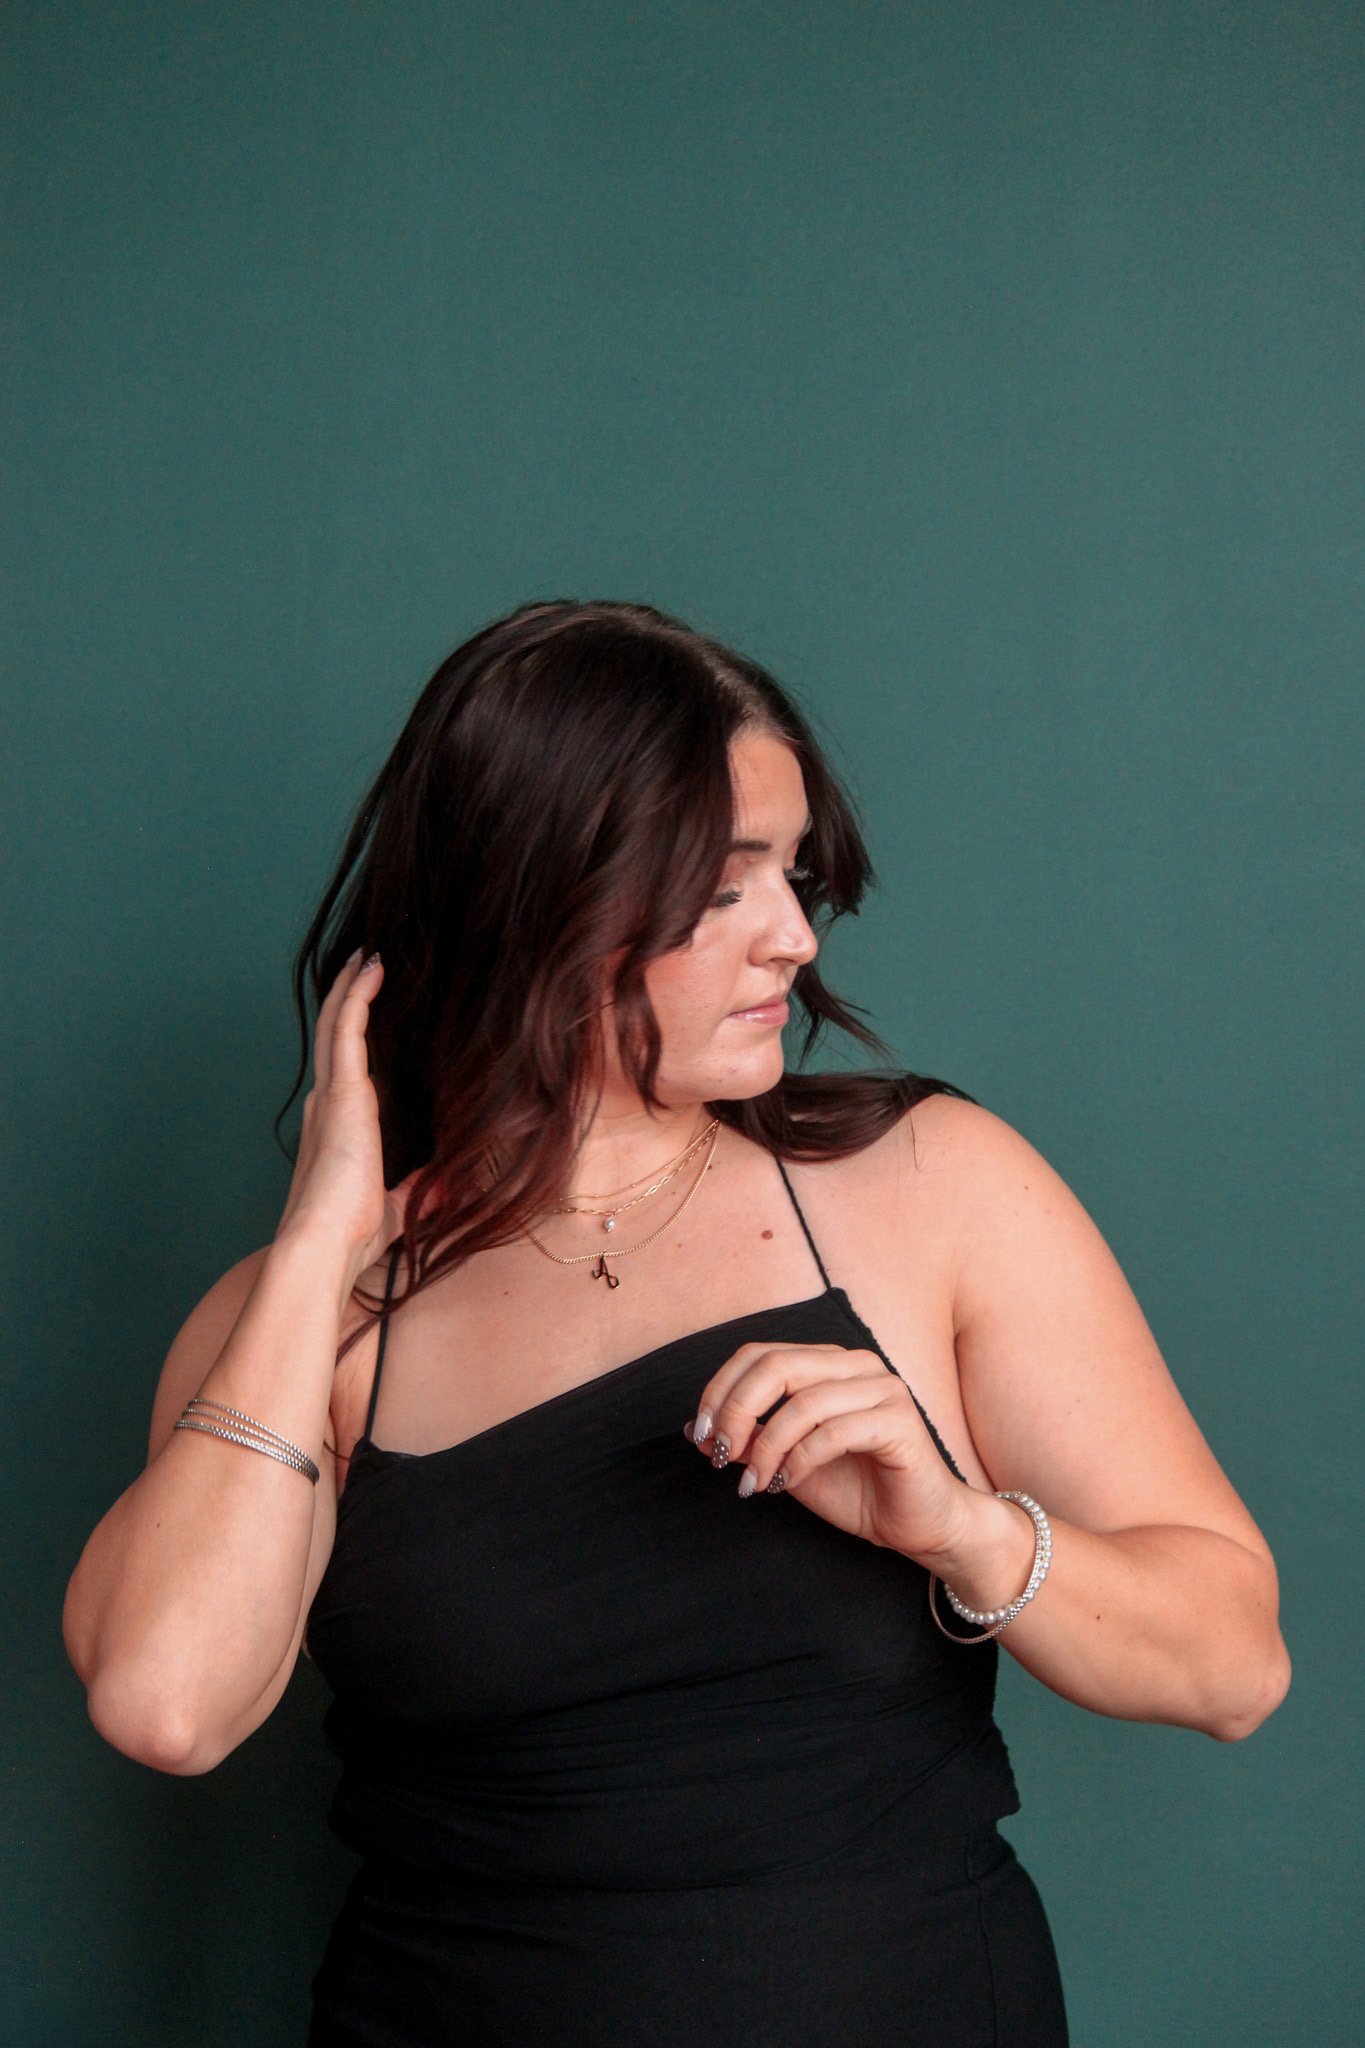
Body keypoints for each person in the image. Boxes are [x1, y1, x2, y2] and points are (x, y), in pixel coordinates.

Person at [63, 597, 1291, 2046]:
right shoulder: (297, 1322)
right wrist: (324, 1243)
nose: (793, 938)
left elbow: (1233, 1666)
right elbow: (167, 1705)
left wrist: (963, 1534)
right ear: (536, 903)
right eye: (720, 888)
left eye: (792, 873)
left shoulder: (931, 1186)